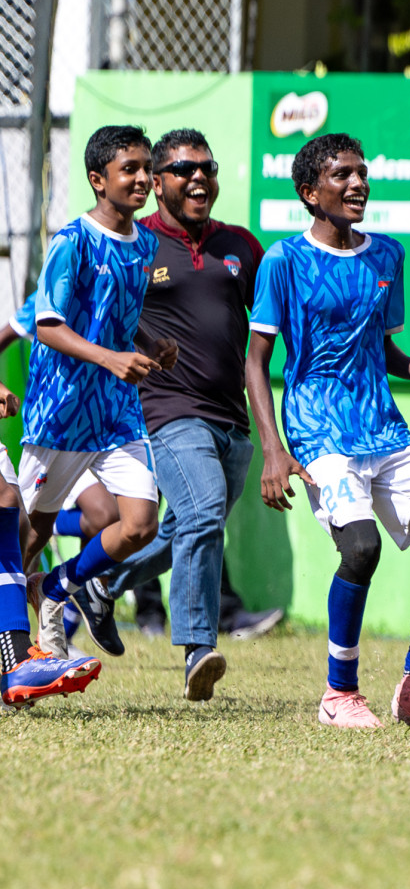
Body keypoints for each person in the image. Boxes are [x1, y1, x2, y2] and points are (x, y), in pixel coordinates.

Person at [246, 132, 410, 729]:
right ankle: (338, 693)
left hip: (384, 429)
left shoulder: (388, 255)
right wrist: (274, 450)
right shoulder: (283, 260)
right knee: (362, 548)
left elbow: (381, 347)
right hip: (319, 430)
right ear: (309, 192)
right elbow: (256, 357)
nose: (357, 184)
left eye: (362, 173)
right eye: (341, 174)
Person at [52, 127, 268, 699]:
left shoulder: (242, 246)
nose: (198, 177)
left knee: (184, 526)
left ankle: (100, 586)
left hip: (232, 418)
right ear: (160, 182)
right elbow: (83, 312)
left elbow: (273, 328)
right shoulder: (136, 242)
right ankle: (198, 645)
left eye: (207, 167)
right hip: (165, 411)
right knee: (199, 513)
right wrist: (135, 347)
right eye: (181, 169)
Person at [20, 125, 178, 672]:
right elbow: (47, 326)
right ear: (97, 179)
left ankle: (59, 585)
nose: (142, 178)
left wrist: (148, 344)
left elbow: (119, 319)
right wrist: (111, 358)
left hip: (116, 414)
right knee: (29, 533)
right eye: (129, 168)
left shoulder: (147, 244)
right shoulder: (72, 241)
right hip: (61, 412)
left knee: (139, 523)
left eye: (145, 168)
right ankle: (14, 642)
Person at [0, 374, 101, 705]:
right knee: (7, 502)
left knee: (19, 523)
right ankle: (17, 659)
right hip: (54, 425)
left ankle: (16, 658)